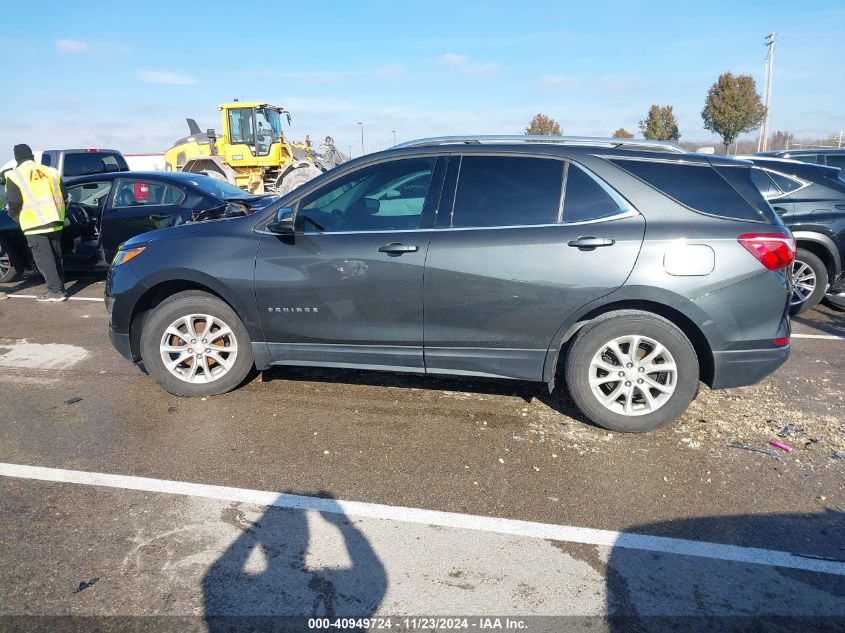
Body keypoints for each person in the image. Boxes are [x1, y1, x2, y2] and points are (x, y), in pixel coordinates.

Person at [4, 144, 67, 302]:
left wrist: (15, 217)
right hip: (56, 219)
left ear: (17, 158)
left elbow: (14, 202)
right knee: (56, 256)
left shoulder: (14, 175)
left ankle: (55, 291)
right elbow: (65, 195)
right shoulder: (50, 171)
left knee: (44, 259)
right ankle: (60, 288)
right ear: (31, 156)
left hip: (34, 223)